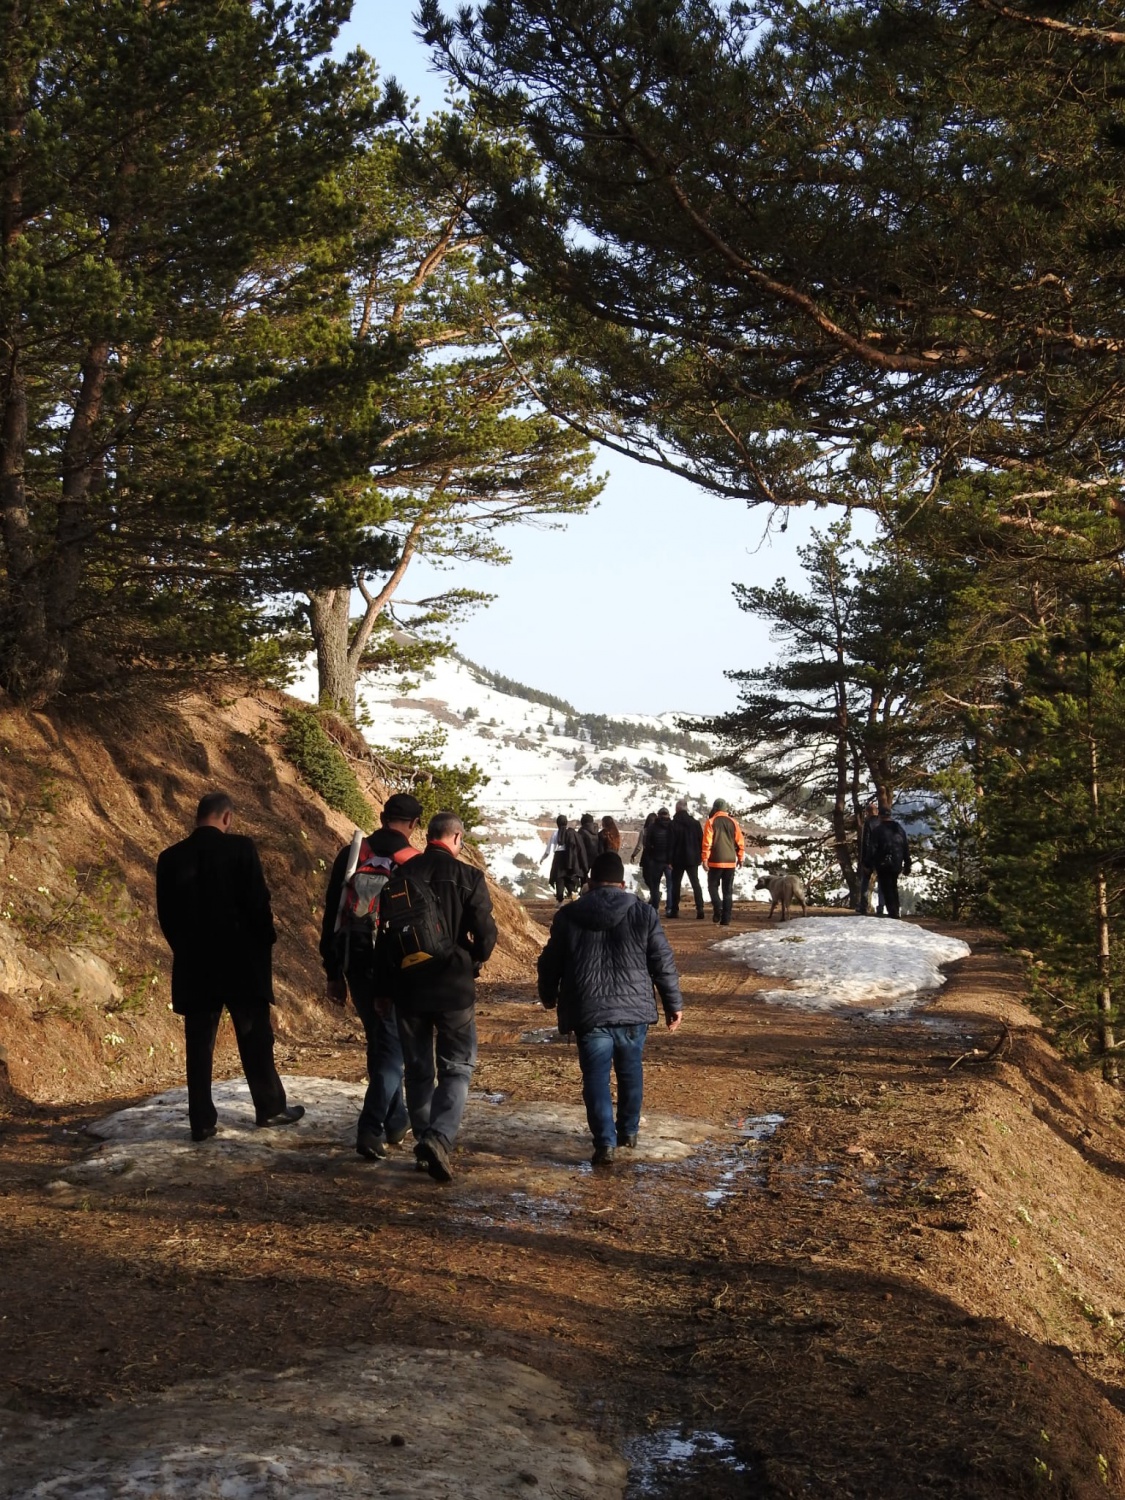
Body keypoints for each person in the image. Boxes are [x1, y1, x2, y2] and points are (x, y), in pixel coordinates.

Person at [156, 791, 303, 1142]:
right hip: (242, 962)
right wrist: (264, 940)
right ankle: (270, 1108)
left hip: (195, 964)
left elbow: (167, 916)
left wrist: (185, 949)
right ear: (227, 817)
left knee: (199, 1045)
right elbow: (257, 901)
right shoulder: (241, 849)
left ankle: (201, 1121)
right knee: (255, 1038)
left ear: (198, 817)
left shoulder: (170, 857)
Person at [537, 850, 683, 1166]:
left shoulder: (568, 915)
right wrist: (673, 1004)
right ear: (622, 884)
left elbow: (550, 962)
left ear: (590, 881)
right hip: (633, 1012)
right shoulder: (644, 913)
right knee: (630, 1070)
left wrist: (548, 995)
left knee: (595, 1077)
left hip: (589, 1010)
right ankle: (628, 1131)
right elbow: (661, 962)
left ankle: (605, 1143)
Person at [373, 811, 497, 1182]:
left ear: (429, 836)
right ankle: (439, 1138)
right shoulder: (469, 877)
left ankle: (425, 1140)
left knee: (418, 1070)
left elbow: (386, 938)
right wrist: (473, 959)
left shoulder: (401, 875)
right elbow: (486, 934)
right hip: (453, 986)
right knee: (456, 1066)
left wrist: (383, 989)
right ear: (456, 838)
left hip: (408, 986)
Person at [320, 792, 423, 1160]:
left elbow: (332, 914)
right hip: (395, 965)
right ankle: (372, 1126)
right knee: (392, 1047)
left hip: (356, 957)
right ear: (414, 825)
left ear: (381, 817)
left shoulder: (352, 854)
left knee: (380, 1039)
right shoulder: (413, 861)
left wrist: (333, 971)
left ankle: (396, 1120)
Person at [702, 799, 745, 926]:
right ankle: (726, 919)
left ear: (715, 808)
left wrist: (705, 859)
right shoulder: (733, 822)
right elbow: (740, 842)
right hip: (730, 861)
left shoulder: (711, 822)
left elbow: (707, 843)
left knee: (712, 886)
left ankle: (718, 906)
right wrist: (740, 858)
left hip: (715, 861)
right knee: (728, 891)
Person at [868, 805, 911, 919]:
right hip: (897, 862)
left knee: (886, 887)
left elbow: (872, 848)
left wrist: (869, 864)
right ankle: (896, 909)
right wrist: (907, 864)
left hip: (883, 863)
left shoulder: (878, 830)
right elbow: (905, 847)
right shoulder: (899, 829)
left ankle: (893, 912)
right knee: (893, 885)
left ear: (880, 816)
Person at [668, 799, 705, 919]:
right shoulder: (695, 823)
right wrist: (701, 856)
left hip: (677, 859)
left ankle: (674, 910)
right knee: (695, 883)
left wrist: (669, 860)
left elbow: (671, 843)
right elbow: (701, 840)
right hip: (692, 858)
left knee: (676, 884)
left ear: (677, 809)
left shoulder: (673, 824)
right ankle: (700, 908)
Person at [540, 814, 584, 902]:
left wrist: (543, 858)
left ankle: (560, 900)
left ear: (557, 823)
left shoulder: (555, 834)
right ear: (566, 823)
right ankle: (573, 893)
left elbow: (548, 850)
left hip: (558, 857)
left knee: (559, 878)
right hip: (569, 857)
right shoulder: (570, 833)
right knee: (568, 877)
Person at [640, 806, 675, 911]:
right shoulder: (673, 826)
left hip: (656, 860)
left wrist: (652, 856)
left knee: (655, 885)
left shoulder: (652, 827)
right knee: (670, 886)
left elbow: (647, 844)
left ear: (658, 816)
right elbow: (675, 843)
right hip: (670, 861)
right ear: (668, 815)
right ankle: (669, 908)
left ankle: (655, 908)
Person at [854, 798, 881, 915]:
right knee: (882, 883)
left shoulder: (868, 824)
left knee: (865, 882)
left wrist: (863, 860)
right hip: (881, 857)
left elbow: (866, 843)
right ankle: (881, 907)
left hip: (869, 857)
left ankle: (863, 906)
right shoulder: (882, 822)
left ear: (867, 812)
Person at [577, 812, 600, 883]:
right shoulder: (596, 830)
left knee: (583, 880)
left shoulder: (582, 831)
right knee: (595, 879)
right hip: (596, 858)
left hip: (585, 859)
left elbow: (578, 846)